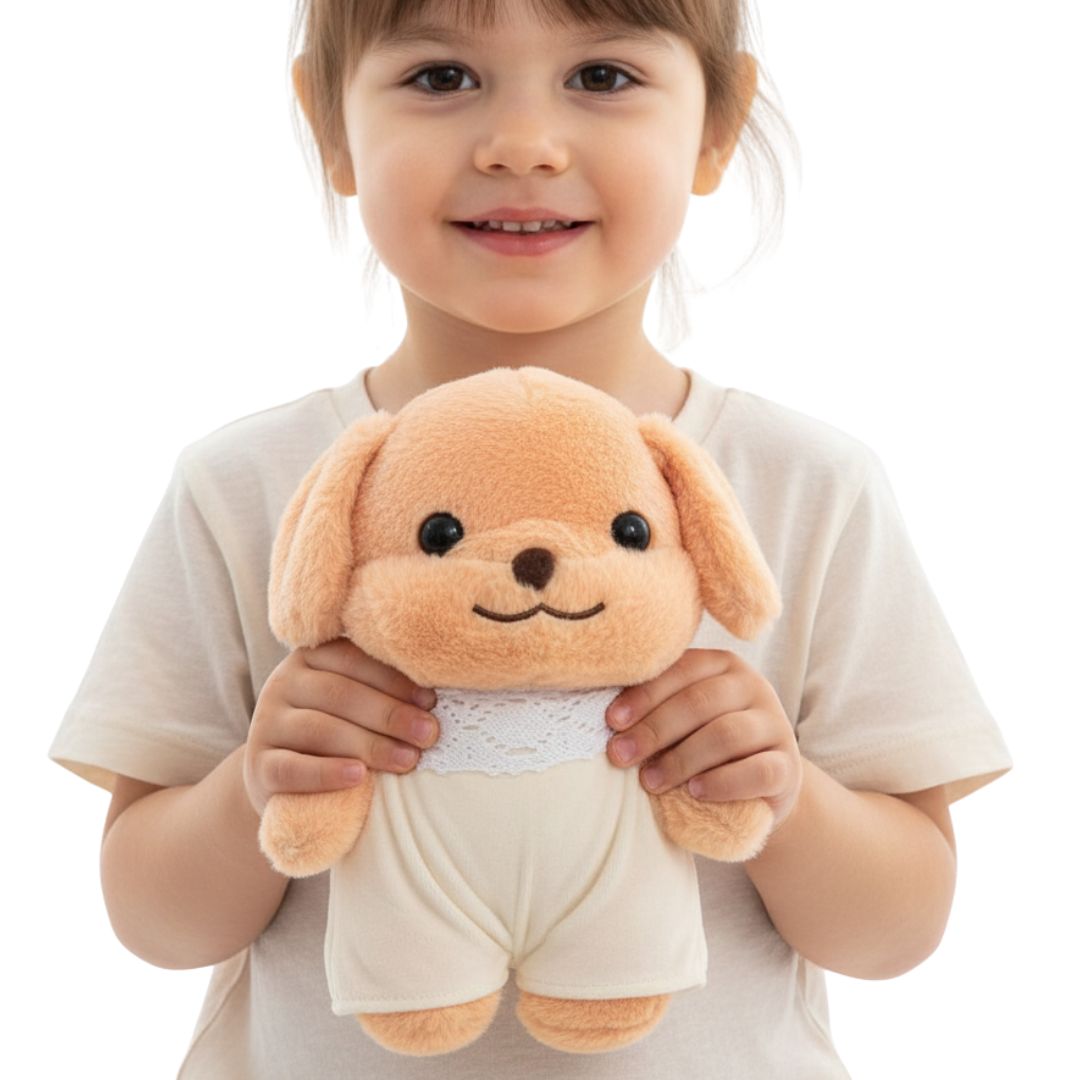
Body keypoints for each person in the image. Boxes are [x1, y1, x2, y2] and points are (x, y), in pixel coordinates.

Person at [47, 0, 1013, 1076]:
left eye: (601, 77)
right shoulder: (245, 486)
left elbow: (896, 933)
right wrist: (253, 789)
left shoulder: (807, 487)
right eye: (440, 77)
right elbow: (155, 923)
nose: (522, 145)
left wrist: (784, 795)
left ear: (716, 127)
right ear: (330, 126)